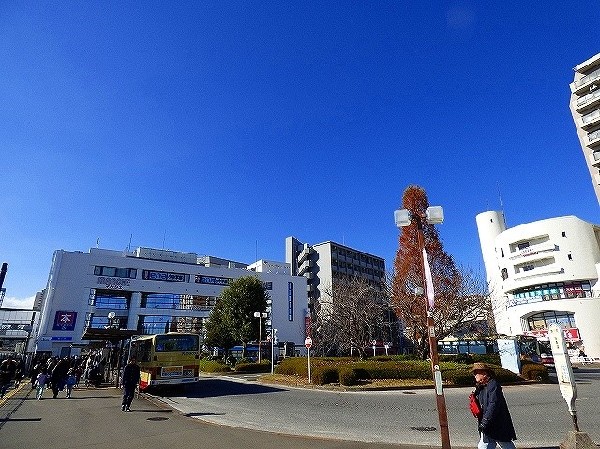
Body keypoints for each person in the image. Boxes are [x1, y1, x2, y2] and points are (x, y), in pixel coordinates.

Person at [472, 362, 517, 449]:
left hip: (497, 421)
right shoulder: (481, 386)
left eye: (476, 373)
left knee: (504, 442)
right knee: (485, 444)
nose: (475, 375)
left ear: (484, 374)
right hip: (489, 422)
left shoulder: (493, 385)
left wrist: (485, 421)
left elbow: (494, 404)